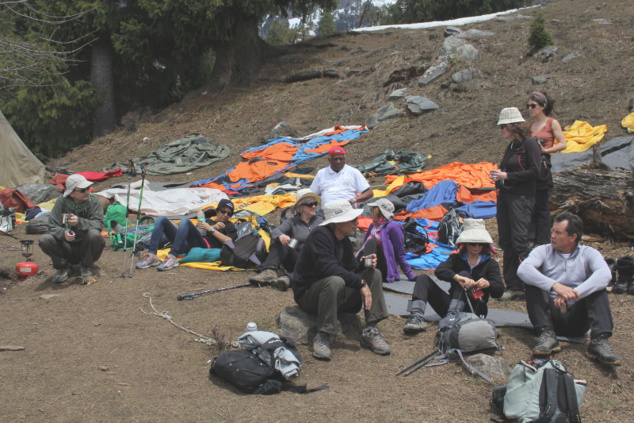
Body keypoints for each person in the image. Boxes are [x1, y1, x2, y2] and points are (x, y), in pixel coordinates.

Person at [517, 212, 621, 366]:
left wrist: (574, 294)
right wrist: (555, 286)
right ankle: (547, 336)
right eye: (553, 231)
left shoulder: (588, 253)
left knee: (597, 287)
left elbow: (605, 275)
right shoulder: (543, 251)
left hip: (577, 319)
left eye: (558, 232)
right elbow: (523, 270)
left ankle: (598, 341)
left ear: (573, 237)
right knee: (532, 281)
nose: (552, 235)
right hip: (550, 317)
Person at [291, 199, 390, 361]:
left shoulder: (343, 239)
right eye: (352, 220)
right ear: (339, 222)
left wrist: (362, 265)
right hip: (310, 296)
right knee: (335, 280)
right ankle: (324, 333)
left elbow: (349, 268)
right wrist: (360, 284)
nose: (357, 223)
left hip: (336, 294)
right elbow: (328, 269)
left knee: (374, 274)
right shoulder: (319, 236)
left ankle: (371, 329)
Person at [403, 219, 504, 333]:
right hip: (451, 305)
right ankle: (416, 317)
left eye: (480, 244)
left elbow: (499, 291)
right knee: (423, 279)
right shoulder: (456, 258)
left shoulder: (491, 264)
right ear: (465, 244)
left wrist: (488, 284)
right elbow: (440, 271)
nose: (476, 247)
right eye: (473, 243)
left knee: (464, 274)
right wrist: (456, 277)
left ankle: (451, 319)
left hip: (475, 309)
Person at [490, 107, 541, 302]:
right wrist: (498, 175)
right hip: (505, 196)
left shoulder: (530, 144)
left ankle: (535, 283)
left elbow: (535, 172)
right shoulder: (512, 146)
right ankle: (513, 285)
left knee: (520, 241)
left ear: (514, 126)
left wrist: (507, 175)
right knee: (506, 241)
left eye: (503, 127)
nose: (501, 130)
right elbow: (506, 168)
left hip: (522, 197)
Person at [248, 189, 323, 290]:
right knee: (282, 240)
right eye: (310, 204)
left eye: (315, 203)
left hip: (315, 260)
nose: (314, 206)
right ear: (301, 206)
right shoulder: (292, 221)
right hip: (297, 258)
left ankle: (287, 278)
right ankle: (269, 271)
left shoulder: (321, 221)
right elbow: (275, 231)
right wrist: (282, 236)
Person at [136, 198, 237, 271]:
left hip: (205, 246)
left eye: (229, 213)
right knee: (161, 219)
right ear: (217, 211)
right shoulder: (208, 221)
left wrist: (211, 229)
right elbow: (198, 231)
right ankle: (152, 255)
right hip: (189, 243)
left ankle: (173, 256)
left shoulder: (229, 226)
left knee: (185, 220)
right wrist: (211, 226)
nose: (225, 215)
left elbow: (229, 241)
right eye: (223, 211)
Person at [39, 174, 105, 283]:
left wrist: (79, 222)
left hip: (87, 245)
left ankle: (86, 266)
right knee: (45, 239)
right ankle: (63, 267)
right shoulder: (61, 202)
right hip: (66, 246)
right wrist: (63, 233)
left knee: (94, 234)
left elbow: (98, 224)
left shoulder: (94, 201)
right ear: (72, 193)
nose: (87, 192)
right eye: (83, 190)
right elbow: (52, 226)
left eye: (88, 188)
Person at [526, 91, 567, 245]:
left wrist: (546, 150)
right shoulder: (530, 126)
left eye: (533, 106)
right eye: (528, 106)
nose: (530, 109)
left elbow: (563, 144)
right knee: (531, 203)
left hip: (543, 166)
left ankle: (543, 240)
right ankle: (531, 237)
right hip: (531, 167)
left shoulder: (551, 122)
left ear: (542, 106)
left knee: (542, 205)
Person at [356, 198, 416, 282]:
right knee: (368, 245)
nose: (371, 213)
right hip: (370, 263)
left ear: (379, 213)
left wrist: (410, 275)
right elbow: (364, 248)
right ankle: (360, 271)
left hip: (384, 268)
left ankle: (364, 273)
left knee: (371, 242)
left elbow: (400, 252)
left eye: (373, 211)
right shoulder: (372, 226)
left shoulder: (393, 227)